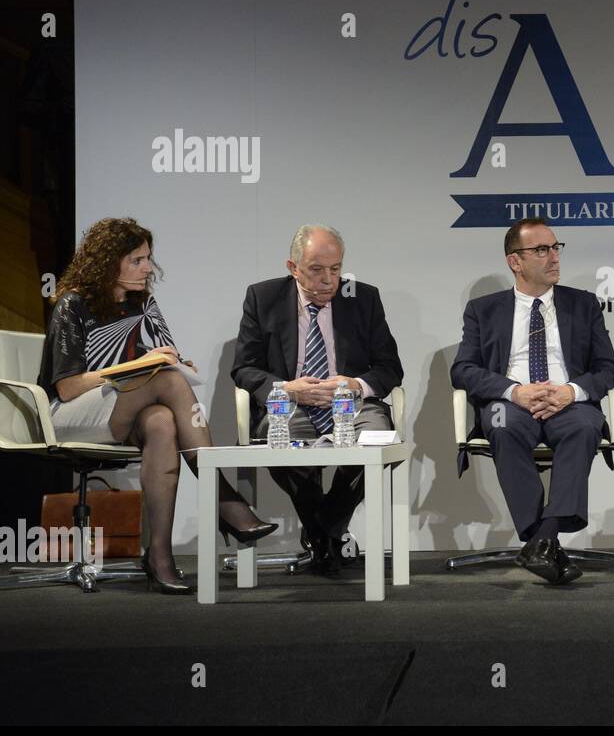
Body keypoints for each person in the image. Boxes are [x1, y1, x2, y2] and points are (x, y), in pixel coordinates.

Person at [38, 218, 276, 595]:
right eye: (136, 260)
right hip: (68, 415)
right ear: (107, 261)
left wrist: (177, 362)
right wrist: (140, 368)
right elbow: (67, 388)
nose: (147, 268)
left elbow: (164, 361)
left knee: (163, 420)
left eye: (147, 258)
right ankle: (224, 498)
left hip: (124, 411)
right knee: (166, 381)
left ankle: (159, 556)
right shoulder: (73, 304)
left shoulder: (142, 302)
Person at [450, 217, 614, 585]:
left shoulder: (583, 304)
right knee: (501, 424)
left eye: (555, 248)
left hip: (568, 403)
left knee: (585, 426)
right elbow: (462, 370)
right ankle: (545, 542)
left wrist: (569, 391)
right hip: (510, 403)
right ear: (515, 261)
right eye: (541, 250)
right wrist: (515, 391)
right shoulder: (484, 309)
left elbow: (607, 369)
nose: (553, 257)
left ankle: (541, 540)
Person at [231, 225, 403, 576]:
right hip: (290, 404)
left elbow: (390, 369)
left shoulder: (363, 298)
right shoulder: (263, 298)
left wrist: (354, 383)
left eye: (336, 269)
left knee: (375, 442)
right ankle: (329, 534)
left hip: (351, 404)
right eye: (316, 269)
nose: (329, 280)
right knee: (282, 445)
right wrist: (287, 388)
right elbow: (244, 369)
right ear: (293, 267)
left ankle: (321, 528)